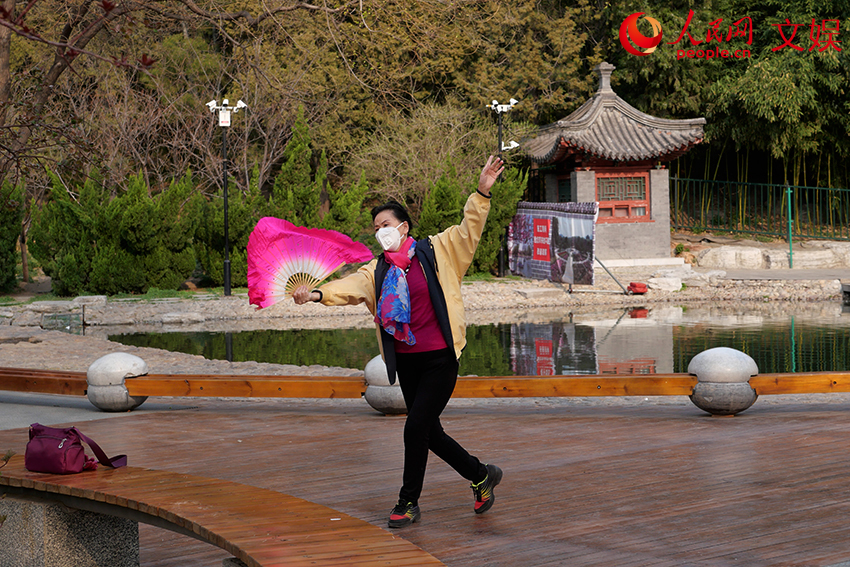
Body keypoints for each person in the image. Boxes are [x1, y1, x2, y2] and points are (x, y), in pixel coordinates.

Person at [292, 155, 505, 529]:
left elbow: (470, 228)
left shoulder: (439, 251)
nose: (380, 231)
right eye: (375, 227)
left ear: (404, 227)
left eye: (386, 224)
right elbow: (350, 288)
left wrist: (481, 192)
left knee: (414, 428)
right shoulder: (377, 270)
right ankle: (480, 474)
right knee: (429, 431)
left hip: (440, 357)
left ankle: (407, 503)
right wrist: (316, 295)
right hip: (407, 362)